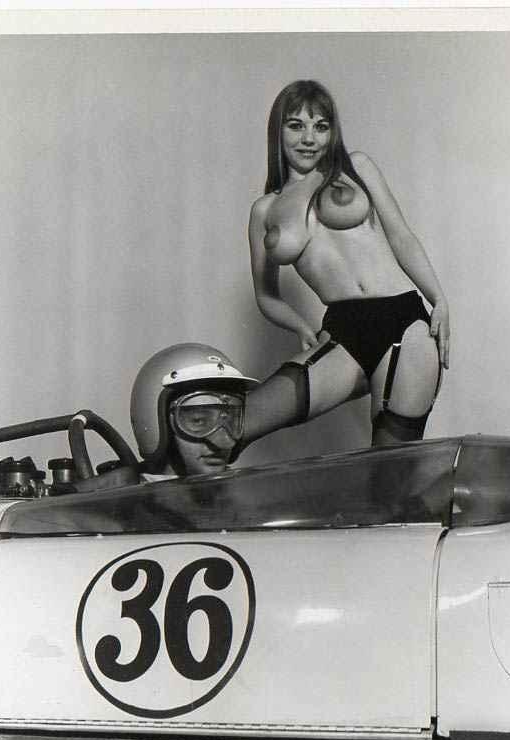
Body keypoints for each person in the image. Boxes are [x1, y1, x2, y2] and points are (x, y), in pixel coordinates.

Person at [243, 79, 451, 447]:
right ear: (278, 131)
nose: (309, 138)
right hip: (342, 329)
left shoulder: (357, 168)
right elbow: (266, 295)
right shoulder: (264, 209)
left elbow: (401, 236)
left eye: (321, 126)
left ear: (332, 132)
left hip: (404, 322)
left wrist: (439, 299)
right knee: (237, 423)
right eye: (296, 126)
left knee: (391, 469)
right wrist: (301, 326)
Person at [130, 343, 257, 478]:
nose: (223, 441)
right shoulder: (129, 490)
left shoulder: (241, 485)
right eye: (198, 421)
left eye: (230, 421)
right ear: (159, 423)